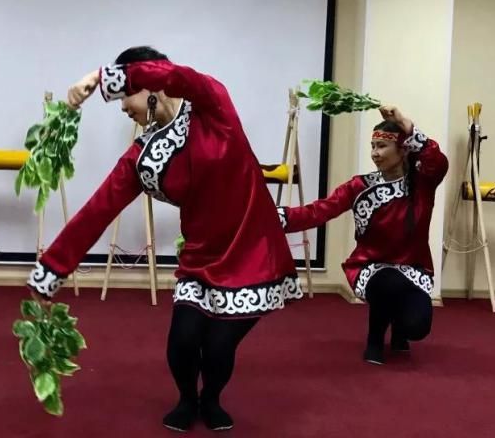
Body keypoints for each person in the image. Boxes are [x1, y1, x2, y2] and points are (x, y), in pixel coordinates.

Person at [26, 46, 302, 432]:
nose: (124, 107)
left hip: (253, 253)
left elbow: (178, 76)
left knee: (219, 346)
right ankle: (188, 399)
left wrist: (100, 78)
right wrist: (51, 270)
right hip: (201, 258)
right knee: (183, 340)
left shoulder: (212, 105)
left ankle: (211, 399)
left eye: (126, 96)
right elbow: (98, 209)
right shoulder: (144, 154)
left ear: (149, 84)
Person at [277, 106, 448, 365]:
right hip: (371, 267)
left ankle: (400, 329)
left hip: (413, 270)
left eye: (382, 146)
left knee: (417, 327)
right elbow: (319, 211)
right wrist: (277, 217)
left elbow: (438, 161)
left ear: (403, 150)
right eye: (373, 146)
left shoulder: (422, 183)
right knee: (388, 283)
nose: (375, 153)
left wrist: (405, 123)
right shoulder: (360, 186)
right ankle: (375, 339)